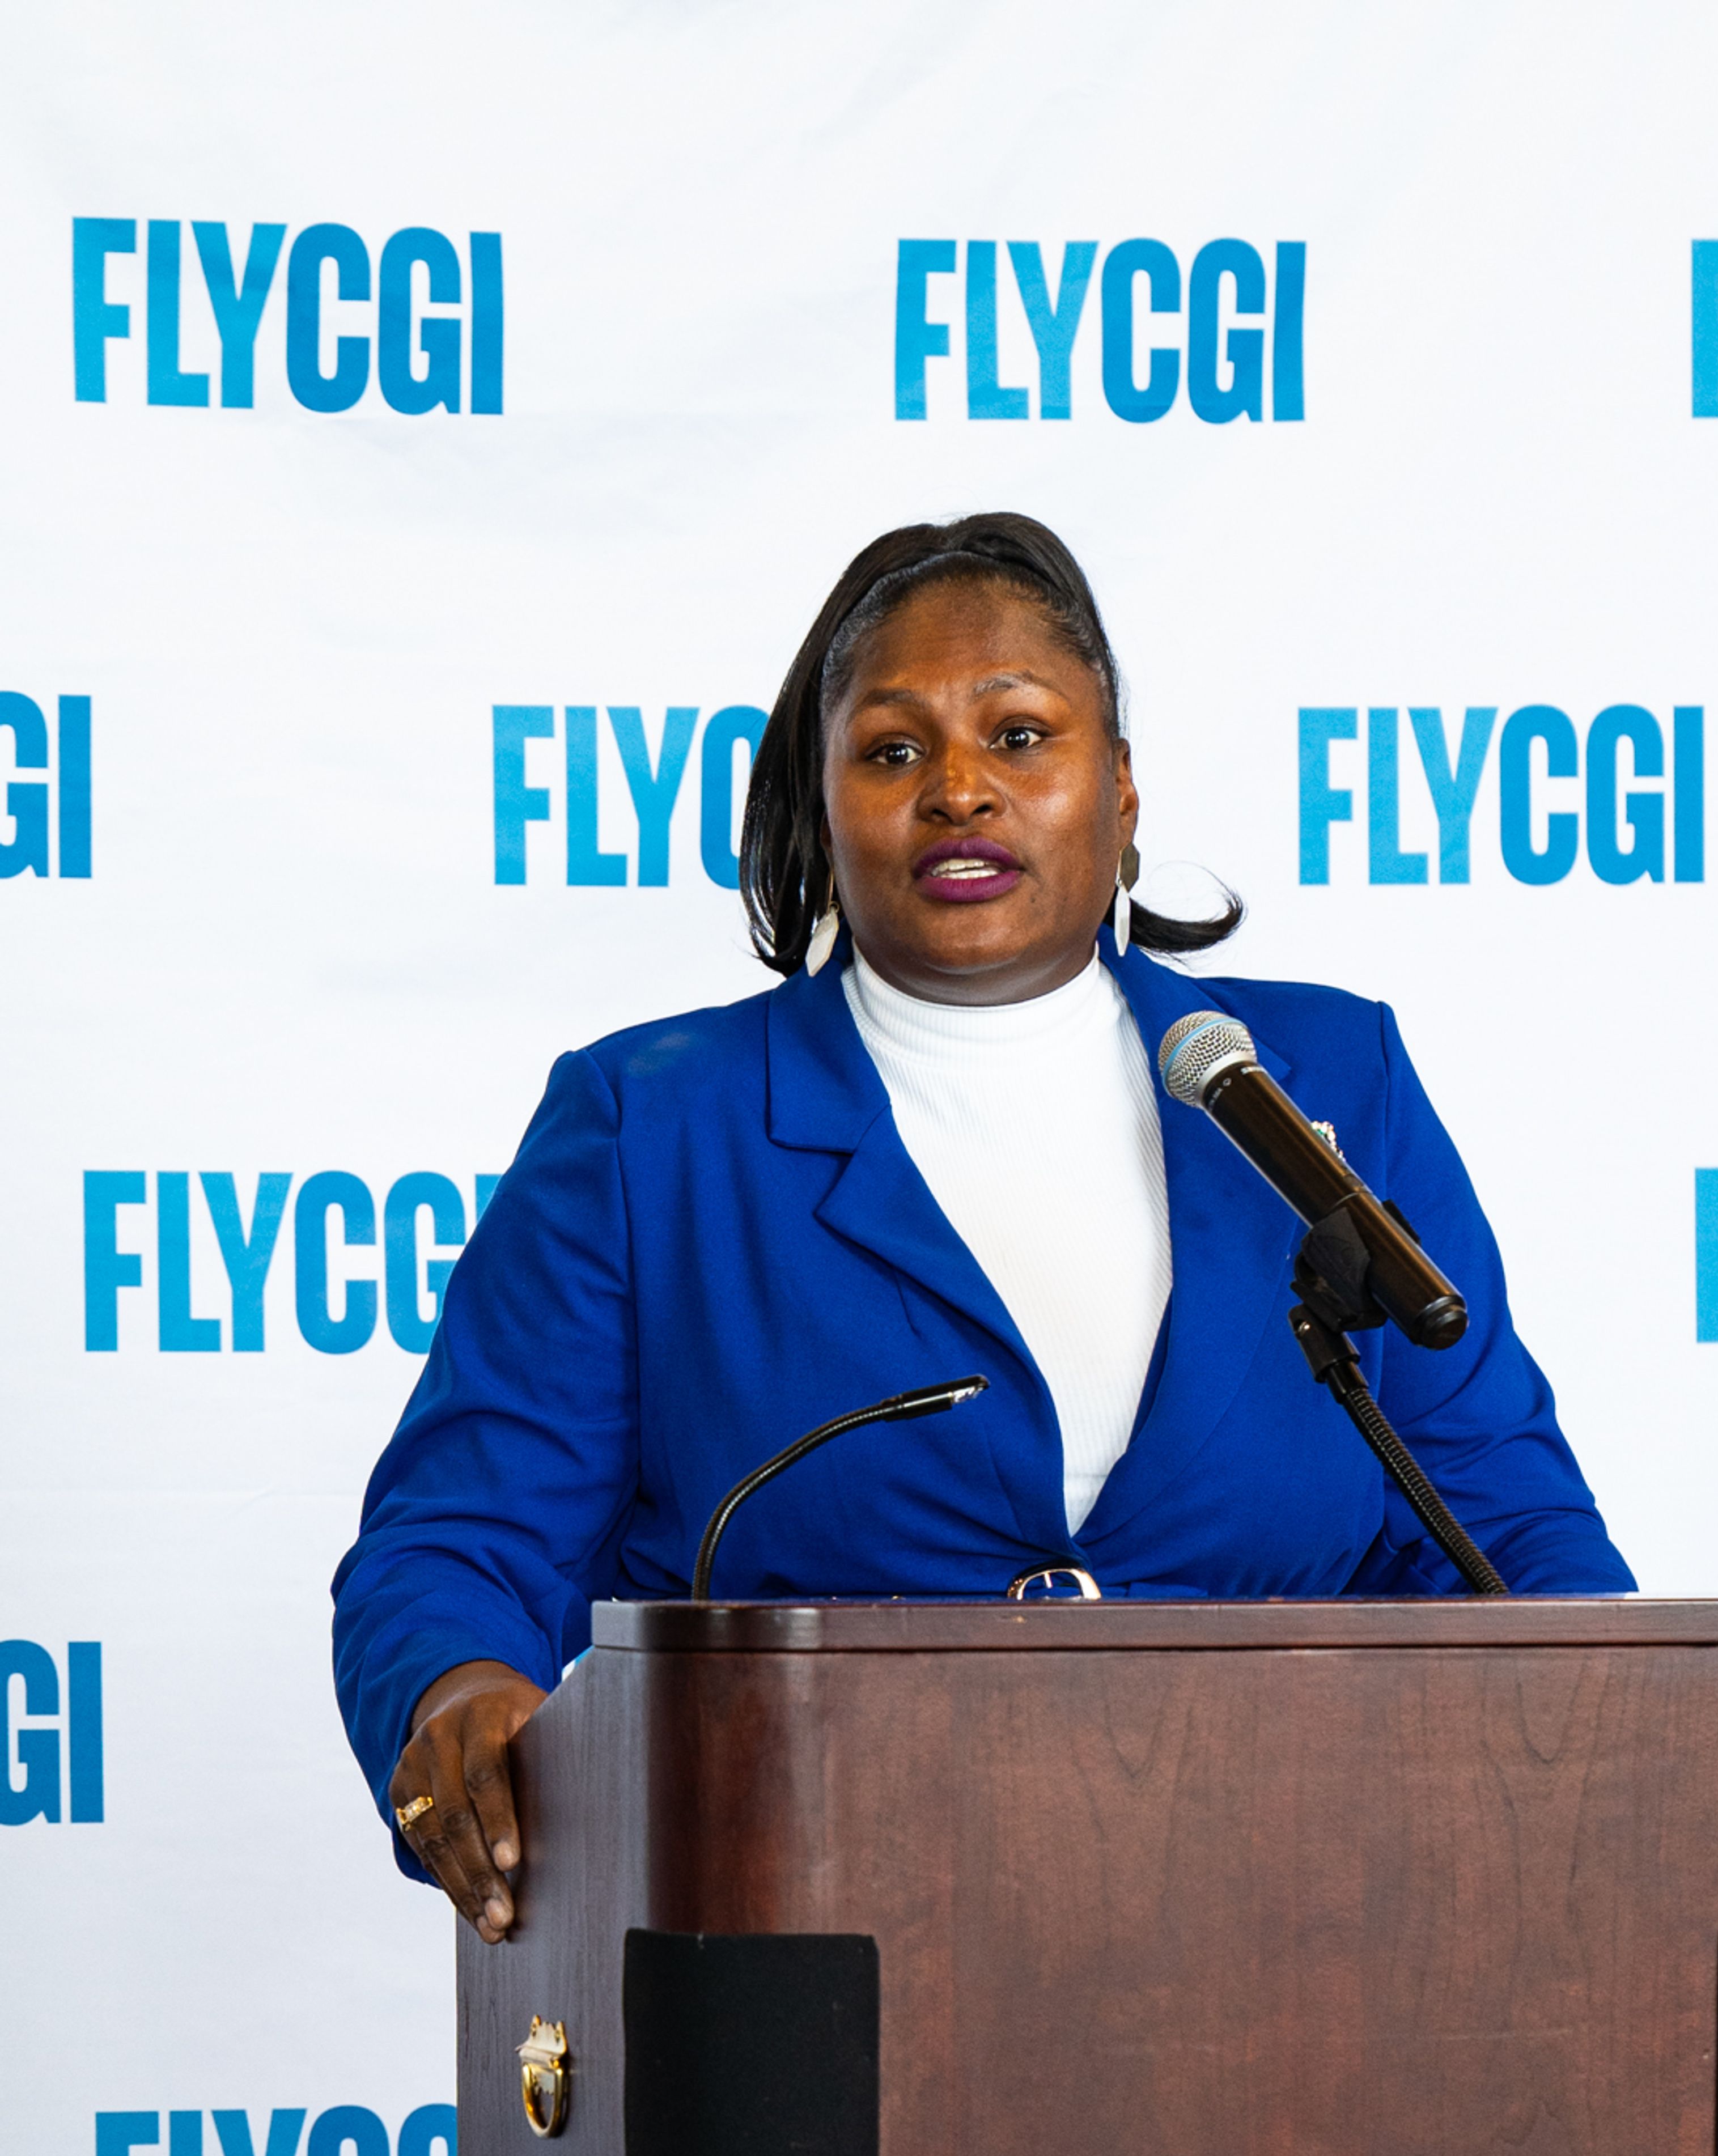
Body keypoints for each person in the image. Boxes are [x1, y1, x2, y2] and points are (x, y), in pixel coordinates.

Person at [333, 512, 1633, 1941]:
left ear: (1121, 792)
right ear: (826, 811)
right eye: (893, 752)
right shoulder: (654, 1130)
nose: (960, 789)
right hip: (794, 1943)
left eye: (1021, 737)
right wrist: (455, 1689)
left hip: (1298, 1936)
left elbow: (1497, 1522)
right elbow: (460, 1539)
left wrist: (1621, 1773)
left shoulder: (1324, 1089)